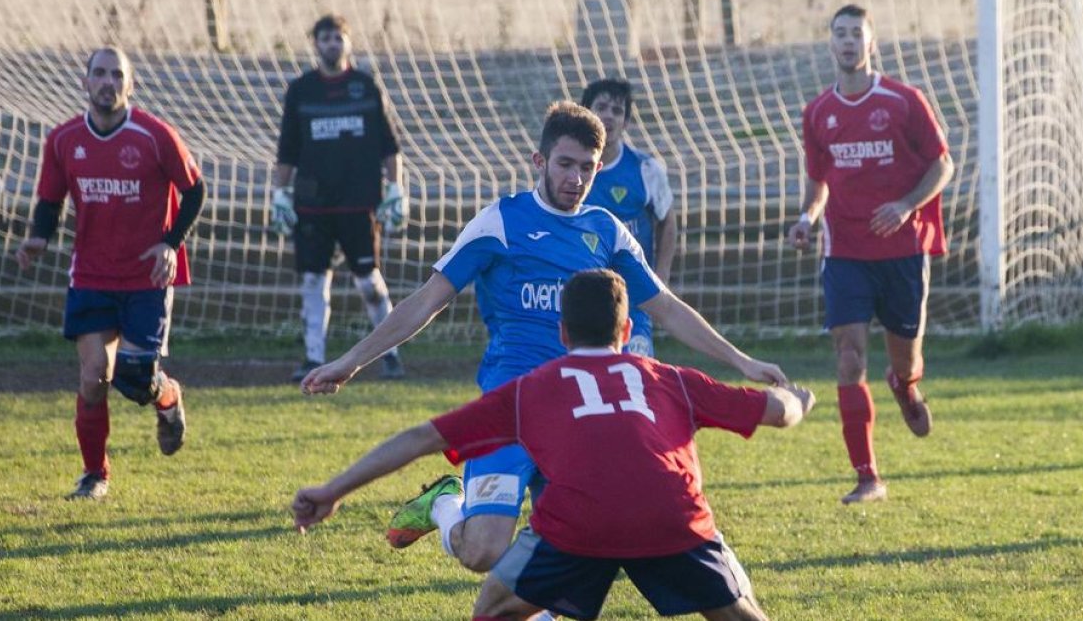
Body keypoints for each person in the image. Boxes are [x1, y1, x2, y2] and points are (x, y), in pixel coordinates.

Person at [302, 101, 788, 575]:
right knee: (483, 551)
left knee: (581, 548)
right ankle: (444, 504)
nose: (575, 178)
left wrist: (742, 361)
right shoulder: (501, 221)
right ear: (540, 161)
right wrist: (351, 361)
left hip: (577, 415)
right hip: (510, 406)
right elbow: (427, 301)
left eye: (587, 168)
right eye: (565, 164)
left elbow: (665, 307)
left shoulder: (606, 231)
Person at [293, 269, 815, 620]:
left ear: (562, 333)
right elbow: (777, 413)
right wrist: (797, 399)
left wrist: (332, 490)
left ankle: (450, 513)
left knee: (494, 610)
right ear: (626, 330)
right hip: (674, 522)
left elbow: (421, 438)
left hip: (577, 528)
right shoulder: (671, 378)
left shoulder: (532, 390)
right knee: (741, 612)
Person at [16, 47, 206, 500]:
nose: (108, 82)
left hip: (147, 279)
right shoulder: (63, 140)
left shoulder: (155, 135)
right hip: (91, 276)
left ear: (130, 84)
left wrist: (170, 243)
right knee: (93, 376)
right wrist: (39, 237)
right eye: (99, 73)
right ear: (85, 82)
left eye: (117, 75)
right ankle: (94, 474)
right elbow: (49, 201)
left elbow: (195, 190)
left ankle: (167, 397)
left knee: (136, 379)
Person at [787, 4, 955, 504]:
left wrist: (906, 205)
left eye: (856, 33)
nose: (847, 41)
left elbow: (942, 165)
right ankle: (867, 476)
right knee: (848, 356)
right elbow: (818, 182)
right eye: (839, 33)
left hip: (902, 249)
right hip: (845, 251)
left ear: (871, 42)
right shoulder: (817, 112)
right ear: (830, 43)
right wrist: (806, 218)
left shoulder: (904, 101)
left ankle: (904, 384)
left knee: (905, 357)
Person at [271, 14, 408, 382]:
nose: (332, 44)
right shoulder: (300, 91)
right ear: (315, 44)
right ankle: (313, 356)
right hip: (312, 204)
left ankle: (390, 354)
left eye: (338, 37)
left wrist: (396, 188)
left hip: (359, 203)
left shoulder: (366, 87)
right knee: (313, 281)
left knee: (368, 281)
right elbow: (287, 149)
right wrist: (279, 193)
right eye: (325, 38)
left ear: (348, 42)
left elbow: (390, 146)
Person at [580, 78, 677, 357]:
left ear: (626, 122)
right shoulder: (570, 170)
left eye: (617, 110)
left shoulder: (646, 169)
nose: (609, 115)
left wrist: (661, 275)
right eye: (601, 107)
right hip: (582, 295)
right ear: (586, 113)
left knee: (636, 370)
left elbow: (668, 221)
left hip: (634, 297)